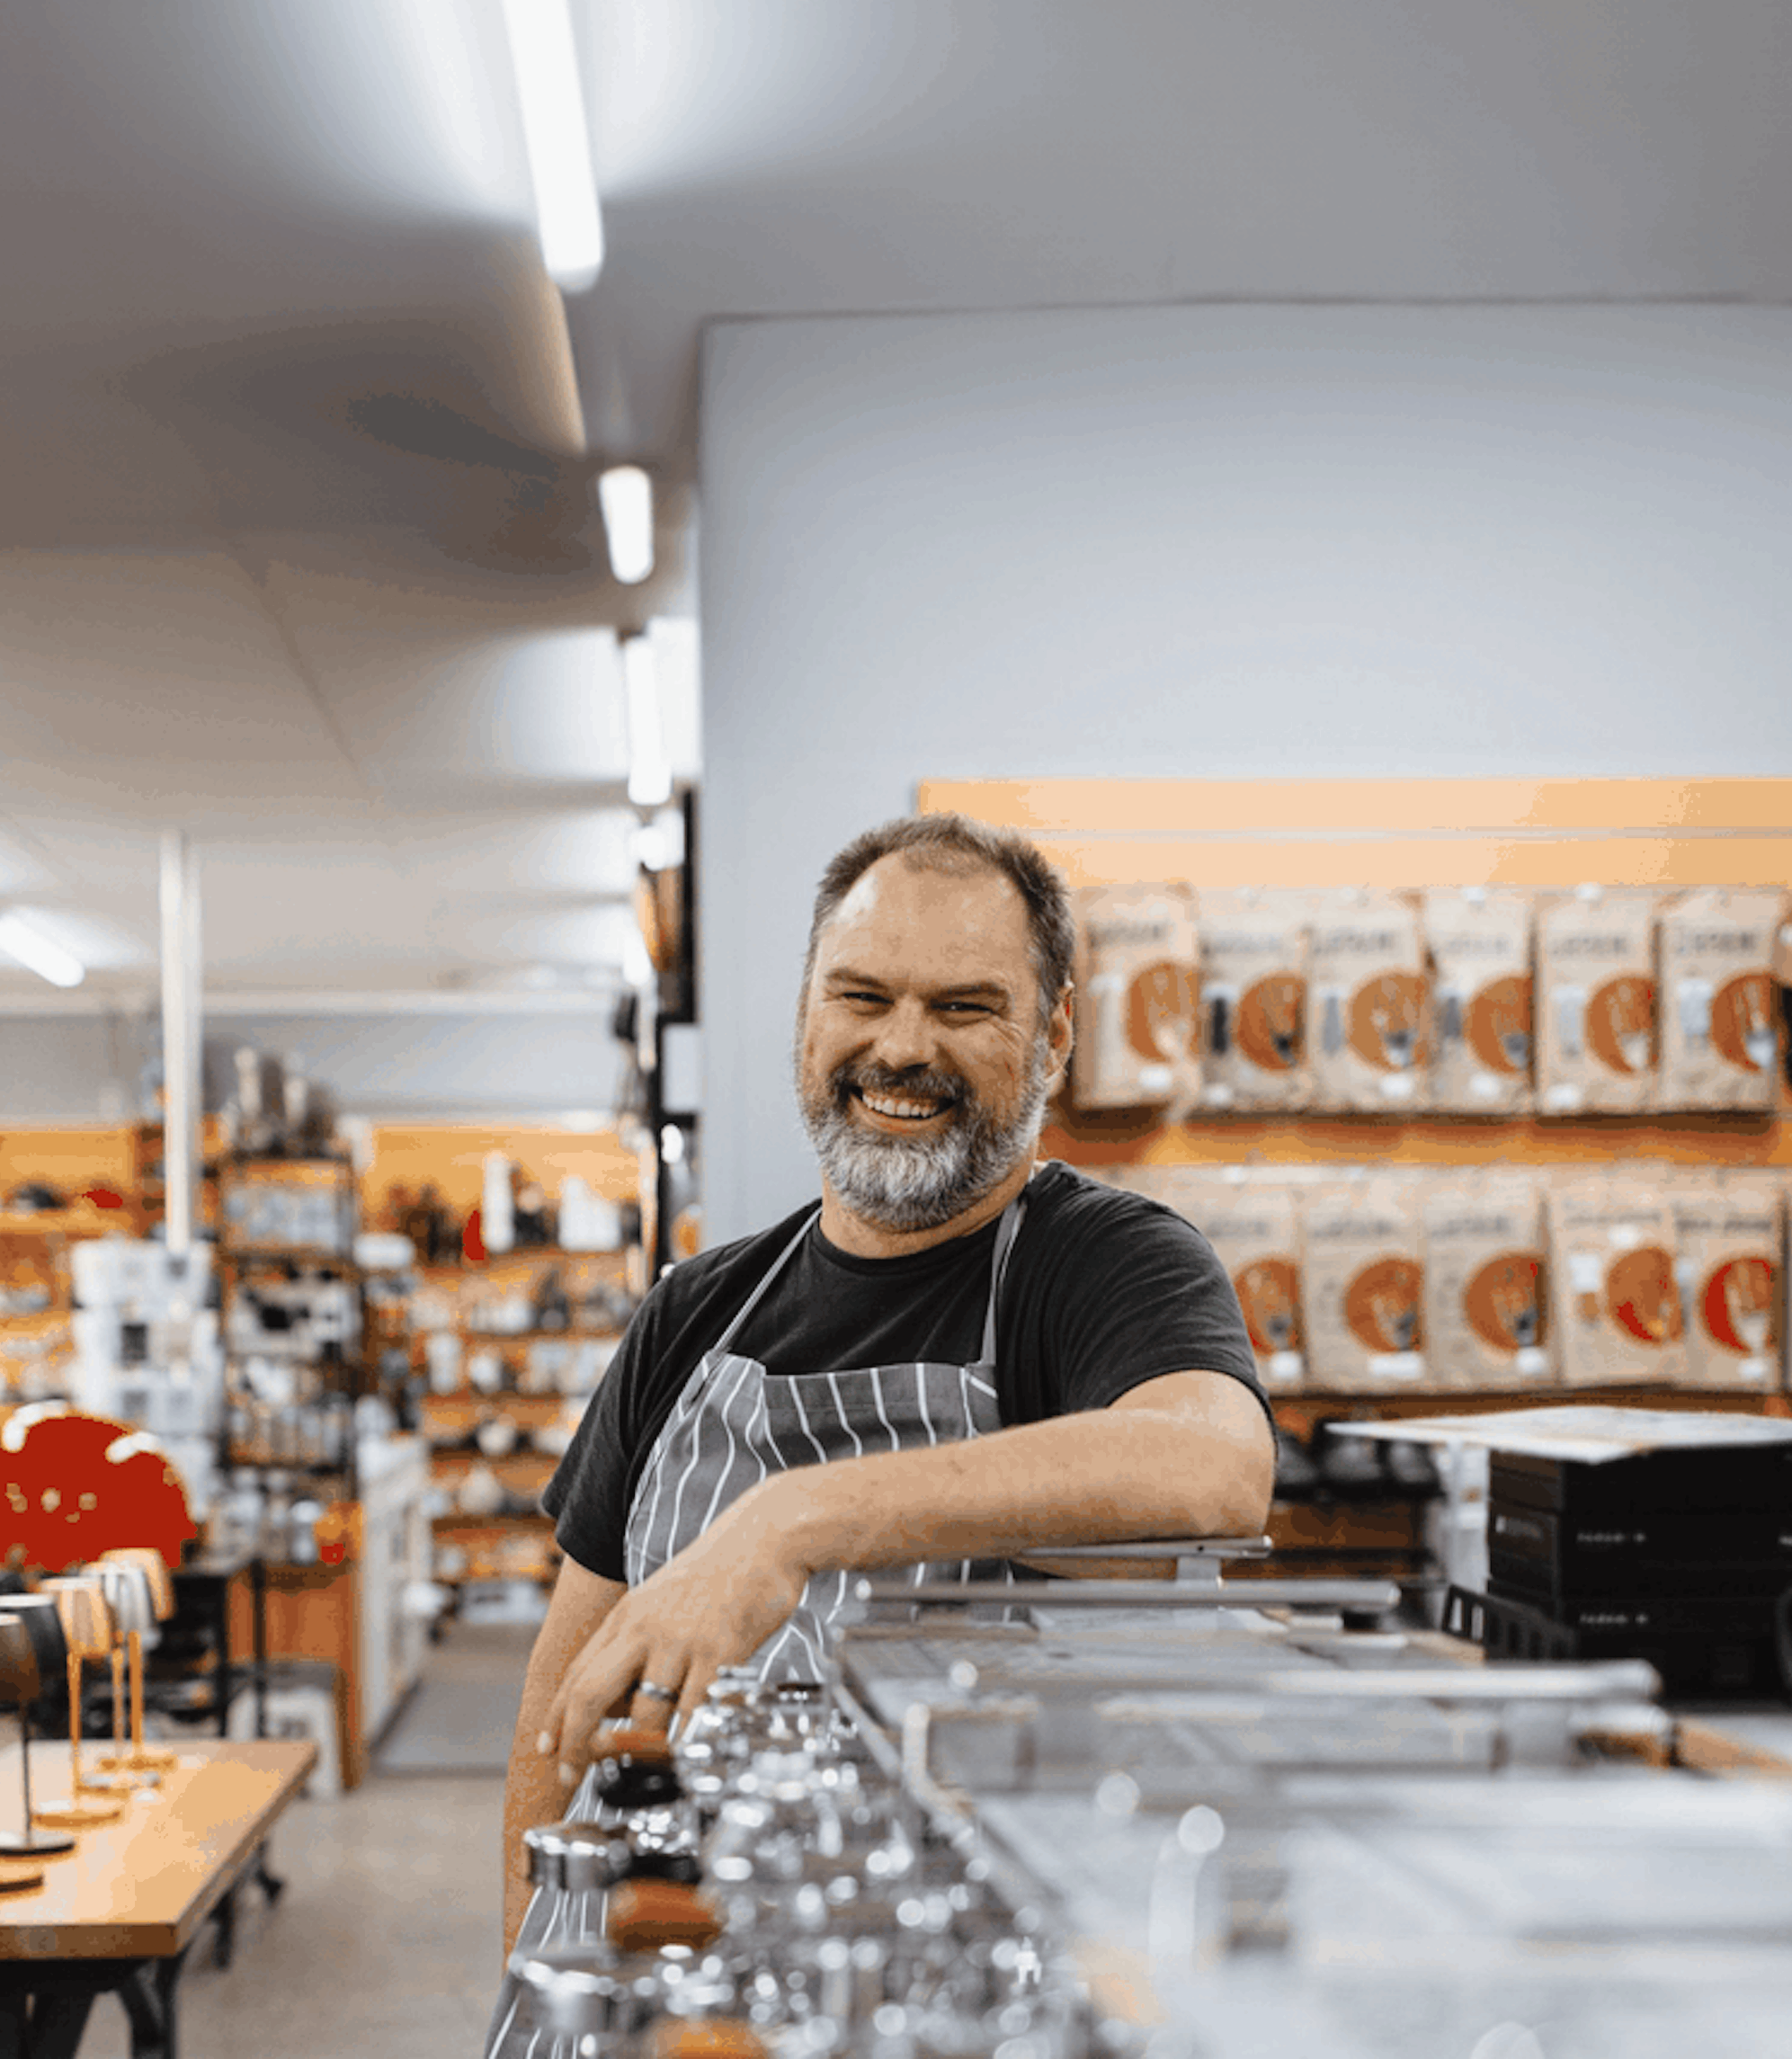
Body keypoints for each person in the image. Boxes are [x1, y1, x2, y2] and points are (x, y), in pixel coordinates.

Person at [495, 813, 1274, 1972]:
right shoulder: (698, 1307)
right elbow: (561, 1694)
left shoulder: (1099, 1261)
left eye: (964, 1007)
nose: (903, 1048)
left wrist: (792, 1522)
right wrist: (531, 1975)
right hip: (671, 1970)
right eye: (862, 997)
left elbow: (1215, 1465)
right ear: (809, 1013)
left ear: (1053, 1031)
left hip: (967, 1983)